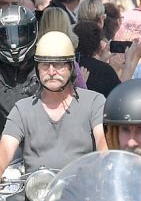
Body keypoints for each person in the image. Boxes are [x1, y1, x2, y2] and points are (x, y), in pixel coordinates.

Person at [0, 32, 107, 177]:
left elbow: (103, 144)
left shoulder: (94, 102)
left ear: (71, 66)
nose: (51, 71)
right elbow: (5, 150)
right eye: (44, 65)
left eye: (58, 64)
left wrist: (106, 172)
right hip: (36, 194)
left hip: (82, 192)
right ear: (37, 69)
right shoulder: (22, 109)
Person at [0, 5, 41, 133]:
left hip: (39, 143)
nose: (13, 42)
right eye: (6, 36)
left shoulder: (45, 65)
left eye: (20, 34)